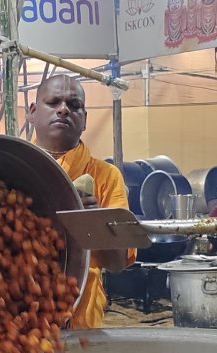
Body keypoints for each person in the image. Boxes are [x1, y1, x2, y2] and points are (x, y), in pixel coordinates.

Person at [28, 75, 136, 329]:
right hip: (19, 313)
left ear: (85, 120)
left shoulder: (106, 176)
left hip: (80, 319)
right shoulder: (11, 166)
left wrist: (94, 222)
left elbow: (117, 263)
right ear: (33, 112)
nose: (63, 109)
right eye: (53, 102)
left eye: (74, 106)